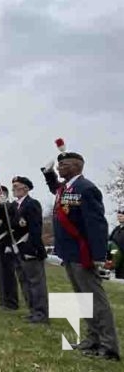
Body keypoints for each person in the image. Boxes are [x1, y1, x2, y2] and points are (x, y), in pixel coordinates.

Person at [42, 152, 120, 360]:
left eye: (63, 165)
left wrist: (98, 255)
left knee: (95, 299)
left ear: (76, 166)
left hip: (83, 253)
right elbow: (56, 192)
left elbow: (96, 224)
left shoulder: (86, 189)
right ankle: (92, 338)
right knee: (84, 299)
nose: (59, 168)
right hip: (70, 253)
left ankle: (109, 346)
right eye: (58, 166)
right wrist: (49, 174)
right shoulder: (68, 189)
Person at [11, 176, 48, 324]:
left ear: (26, 188)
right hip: (18, 248)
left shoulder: (32, 204)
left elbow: (35, 228)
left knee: (36, 283)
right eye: (13, 186)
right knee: (24, 282)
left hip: (29, 249)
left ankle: (41, 314)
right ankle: (32, 311)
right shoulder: (14, 206)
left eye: (17, 186)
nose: (13, 188)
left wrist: (32, 249)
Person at [0, 185, 19, 311]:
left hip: (7, 243)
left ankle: (12, 302)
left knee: (8, 275)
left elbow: (12, 223)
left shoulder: (10, 206)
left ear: (4, 194)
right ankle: (4, 299)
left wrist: (4, 204)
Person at [108, 207, 124, 279]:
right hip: (116, 256)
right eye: (118, 216)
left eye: (121, 216)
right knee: (119, 277)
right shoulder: (116, 229)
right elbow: (110, 242)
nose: (119, 218)